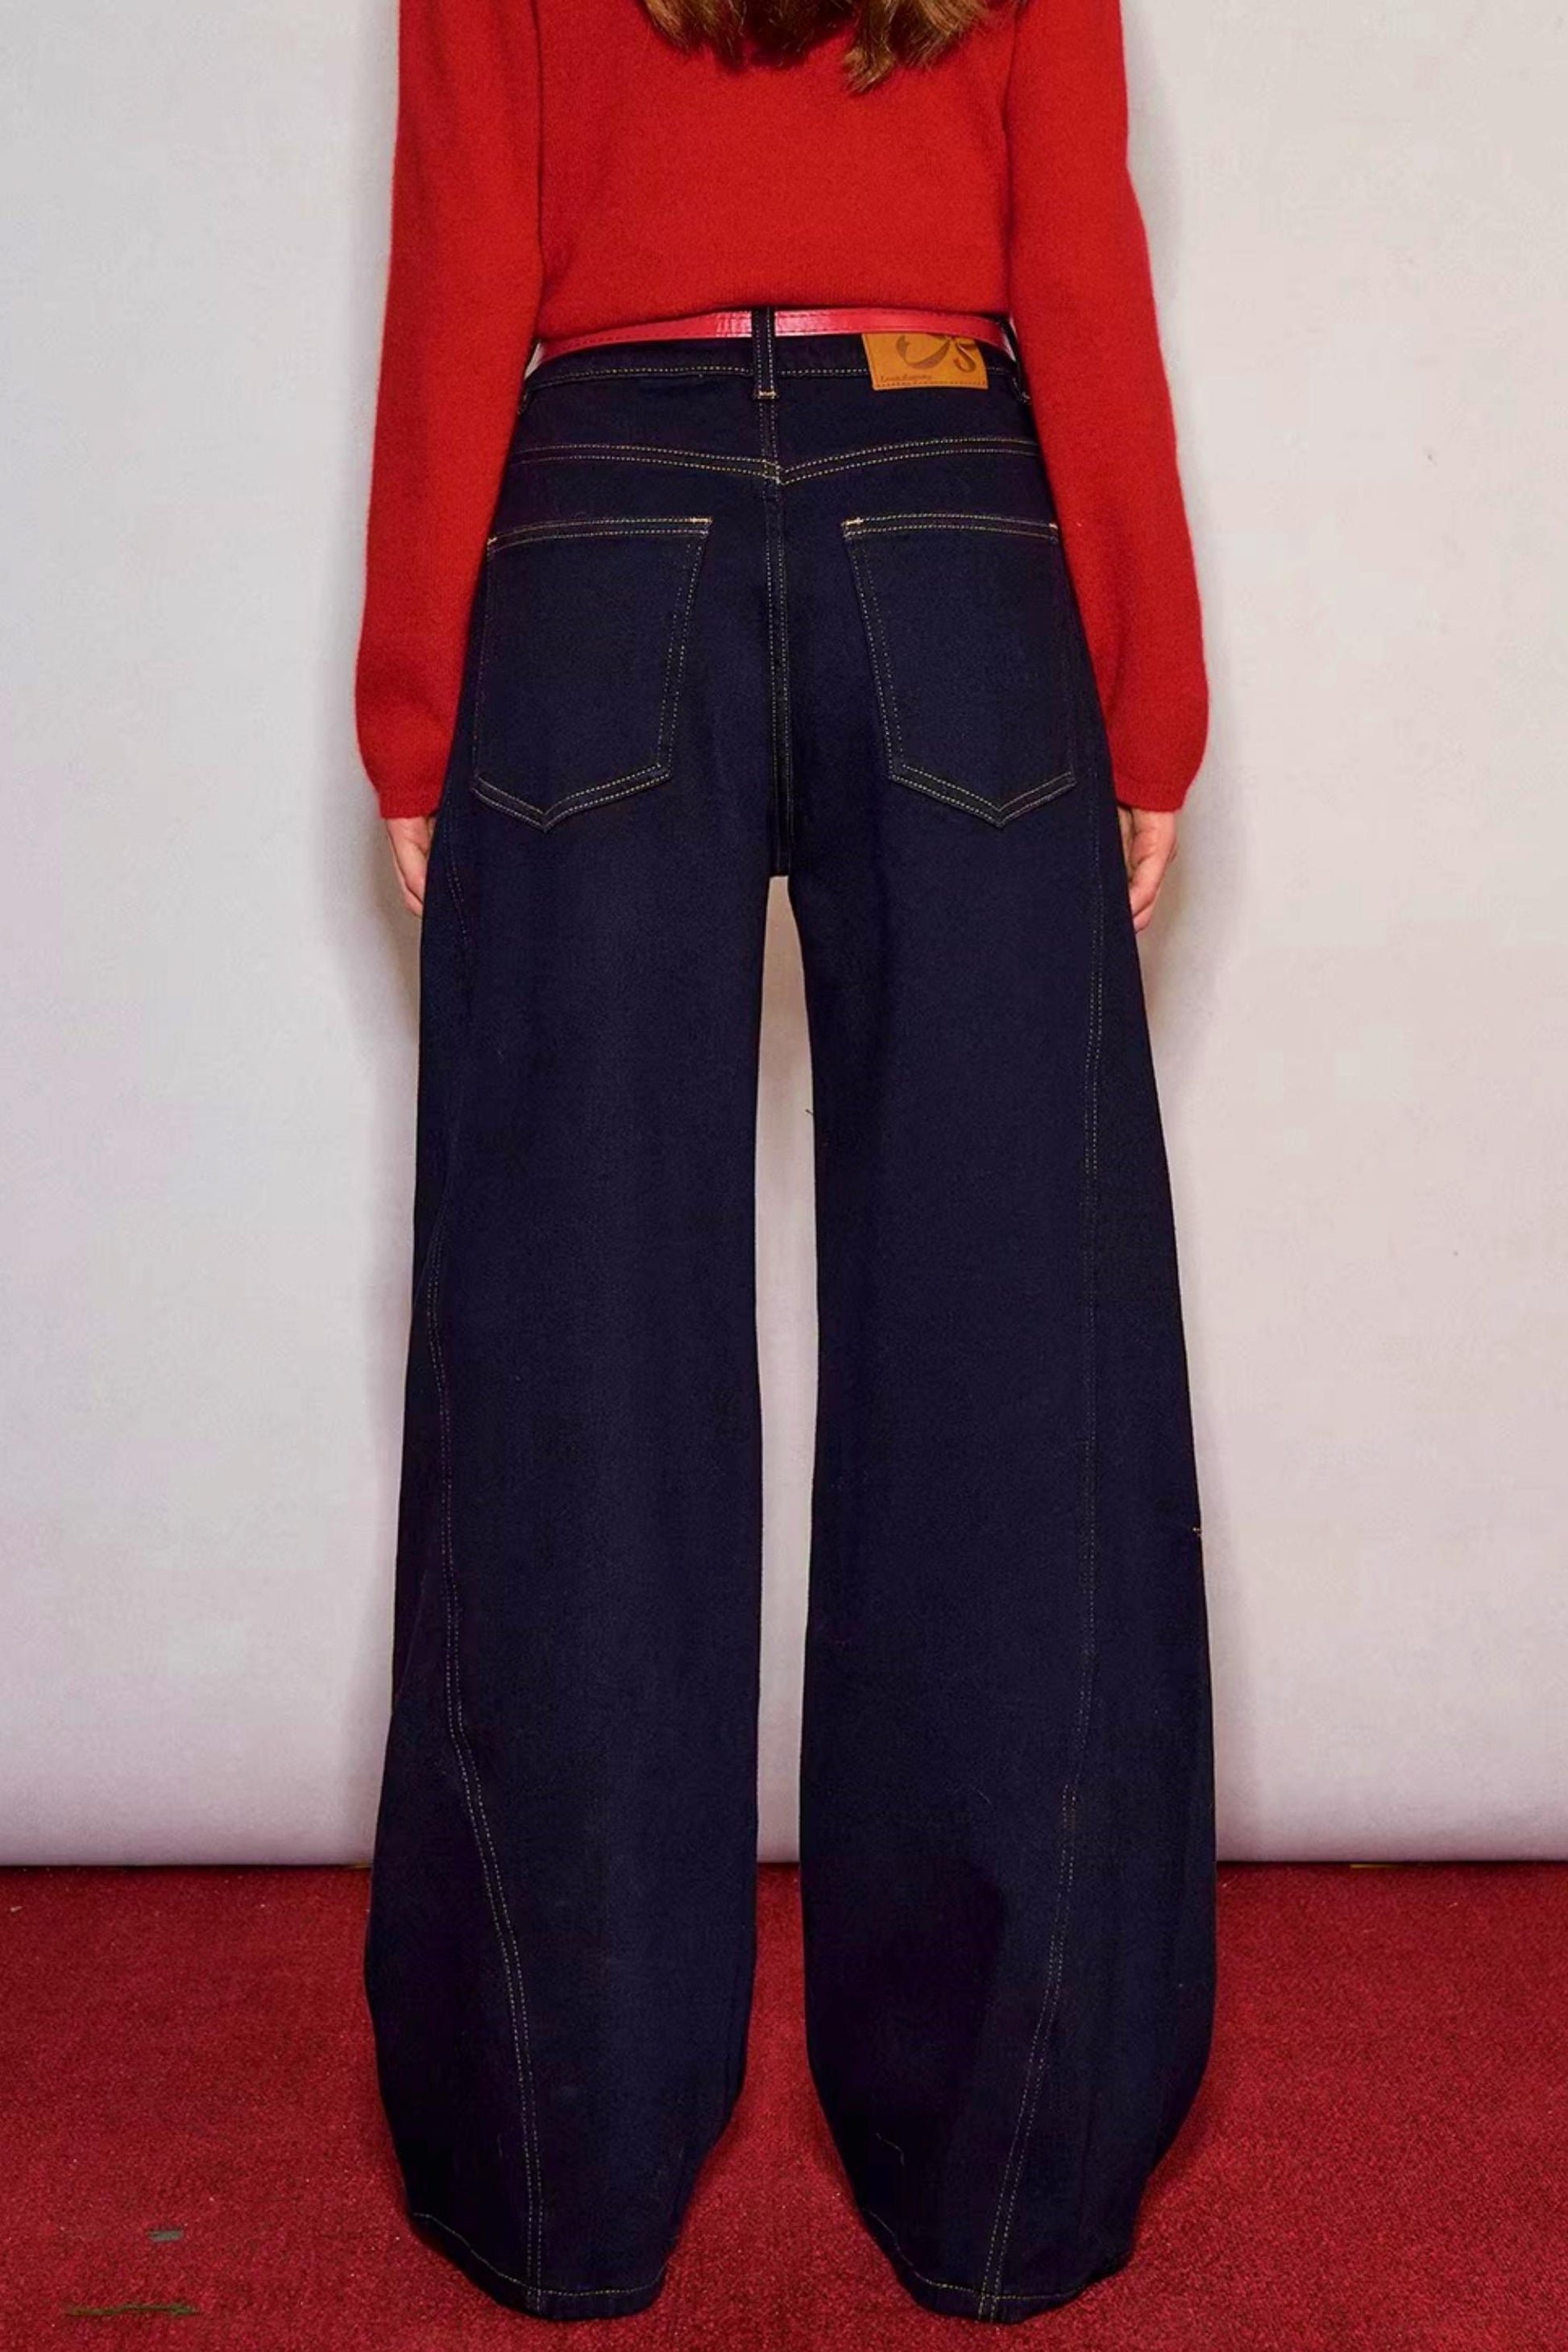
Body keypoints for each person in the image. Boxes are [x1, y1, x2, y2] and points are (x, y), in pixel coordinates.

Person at [354, 0, 1217, 2324]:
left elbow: (462, 254)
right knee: (1011, 1354)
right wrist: (1144, 691)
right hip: (950, 511)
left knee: (565, 1353)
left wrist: (417, 700)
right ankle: (1011, 2174)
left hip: (590, 514)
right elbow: (1076, 257)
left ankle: (556, 2172)